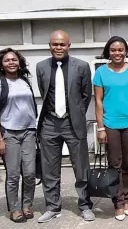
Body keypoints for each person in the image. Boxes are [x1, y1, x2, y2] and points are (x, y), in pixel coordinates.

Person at [36, 30, 94, 223]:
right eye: (55, 44)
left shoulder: (82, 66)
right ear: (49, 46)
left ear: (69, 45)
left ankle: (85, 205)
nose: (58, 47)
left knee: (81, 167)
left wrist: (76, 114)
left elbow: (86, 96)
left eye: (62, 44)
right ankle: (52, 207)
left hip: (73, 123)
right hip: (50, 123)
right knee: (49, 169)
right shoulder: (41, 67)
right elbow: (45, 93)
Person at [94, 36, 128, 221]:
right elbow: (97, 101)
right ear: (108, 52)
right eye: (113, 50)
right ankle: (118, 202)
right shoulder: (101, 73)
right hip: (110, 124)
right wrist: (100, 128)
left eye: (120, 49)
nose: (117, 53)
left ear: (126, 51)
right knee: (115, 164)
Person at [0, 48, 38, 223]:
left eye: (14, 59)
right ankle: (14, 209)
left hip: (29, 132)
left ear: (19, 62)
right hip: (9, 133)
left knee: (29, 173)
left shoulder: (25, 82)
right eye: (7, 60)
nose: (11, 62)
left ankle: (27, 205)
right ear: (1, 64)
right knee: (13, 175)